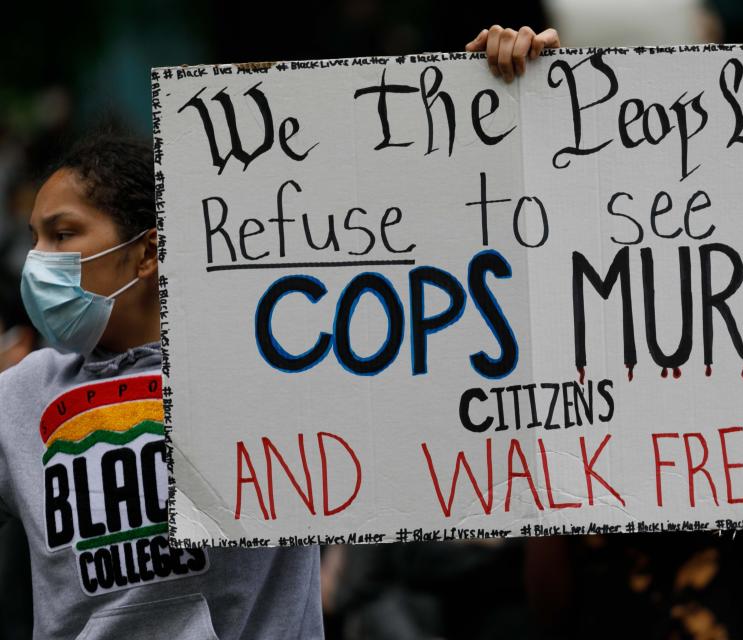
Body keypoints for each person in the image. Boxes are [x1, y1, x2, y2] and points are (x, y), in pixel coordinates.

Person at [0, 26, 558, 639]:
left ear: (146, 253)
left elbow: (441, 293)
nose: (38, 261)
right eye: (34, 239)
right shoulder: (21, 396)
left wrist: (497, 101)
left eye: (63, 234)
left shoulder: (281, 363)